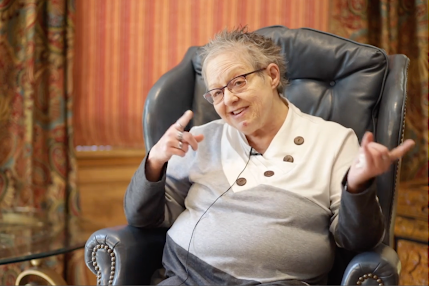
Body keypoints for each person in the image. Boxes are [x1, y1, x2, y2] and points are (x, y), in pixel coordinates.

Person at [124, 27, 415, 285]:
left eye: (238, 82)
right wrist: (155, 162)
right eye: (216, 93)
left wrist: (357, 186)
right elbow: (144, 219)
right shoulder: (202, 137)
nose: (228, 100)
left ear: (272, 75)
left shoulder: (334, 141)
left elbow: (357, 240)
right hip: (185, 277)